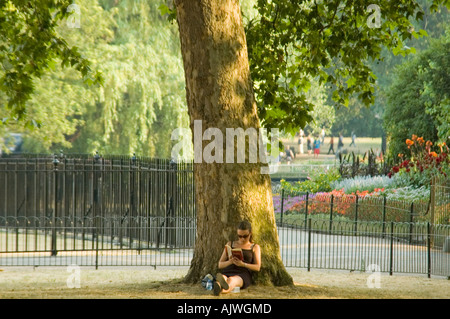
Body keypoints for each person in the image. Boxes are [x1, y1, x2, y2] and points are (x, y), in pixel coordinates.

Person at [214, 221, 261, 296]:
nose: (242, 239)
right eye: (240, 236)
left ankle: (220, 290)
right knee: (223, 277)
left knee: (232, 280)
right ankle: (219, 286)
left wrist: (243, 264)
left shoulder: (254, 247)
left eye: (245, 236)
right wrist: (230, 262)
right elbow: (220, 264)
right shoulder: (230, 244)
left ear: (250, 233)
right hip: (228, 270)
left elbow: (257, 267)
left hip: (243, 273)